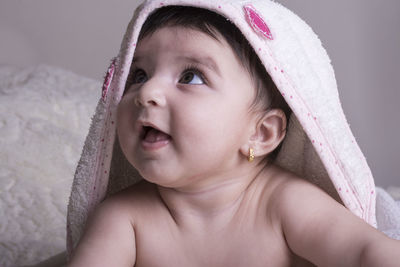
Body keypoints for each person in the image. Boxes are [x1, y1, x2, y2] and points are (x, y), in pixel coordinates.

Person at [67, 2, 400, 267]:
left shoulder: (285, 203)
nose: (147, 92)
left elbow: (363, 252)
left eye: (191, 77)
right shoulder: (124, 218)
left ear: (261, 133)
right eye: (138, 74)